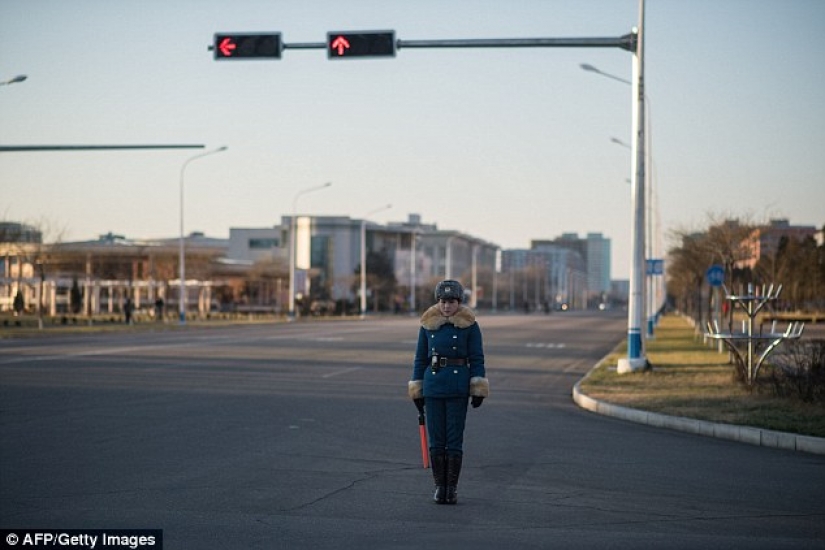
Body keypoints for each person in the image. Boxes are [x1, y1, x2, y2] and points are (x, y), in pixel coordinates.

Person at [408, 279, 489, 504]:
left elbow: (477, 358)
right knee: (436, 440)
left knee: (453, 440)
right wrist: (417, 389)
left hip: (457, 387)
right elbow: (420, 359)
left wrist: (478, 388)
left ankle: (451, 487)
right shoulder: (427, 324)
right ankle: (439, 486)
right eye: (443, 301)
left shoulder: (469, 325)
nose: (446, 306)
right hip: (433, 386)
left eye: (451, 301)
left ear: (458, 302)